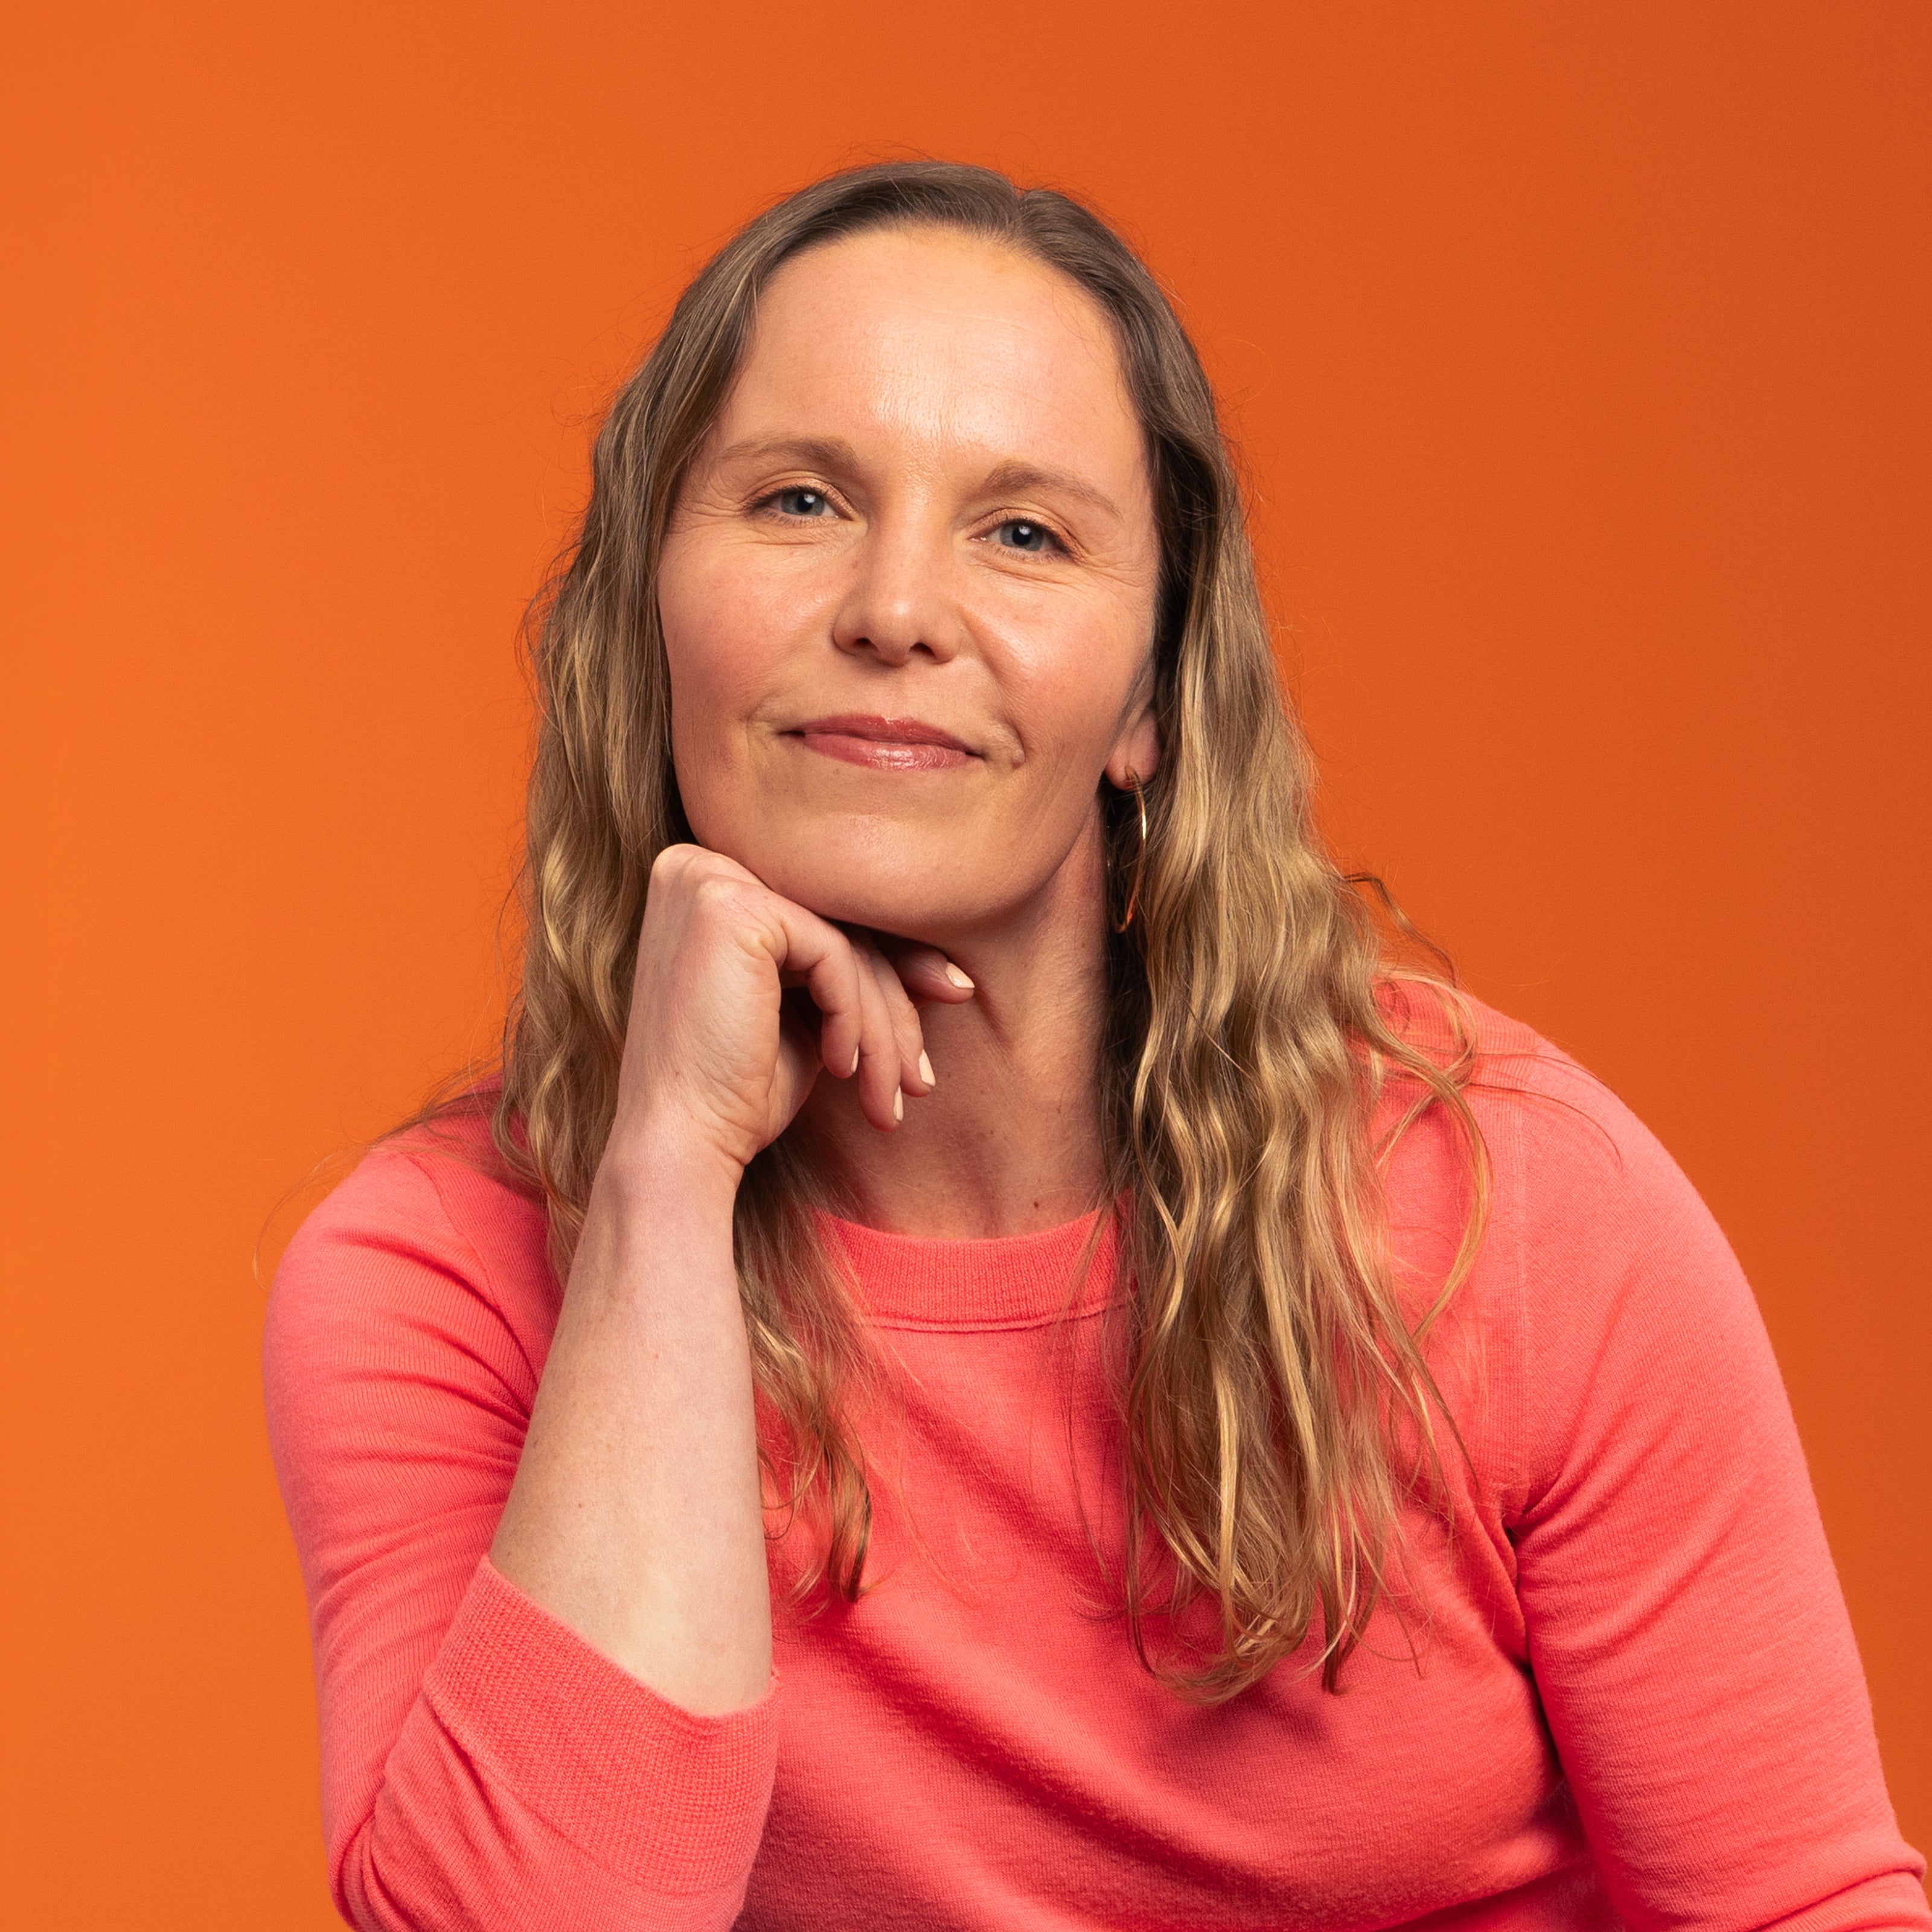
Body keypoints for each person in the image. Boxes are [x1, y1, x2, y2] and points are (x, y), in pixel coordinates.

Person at [262, 161, 1929, 1932]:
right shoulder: (432, 1280)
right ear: (650, 609)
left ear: (1149, 697)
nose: (896, 608)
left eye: (1025, 535)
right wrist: (663, 1179)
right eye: (801, 499)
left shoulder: (1513, 1213)